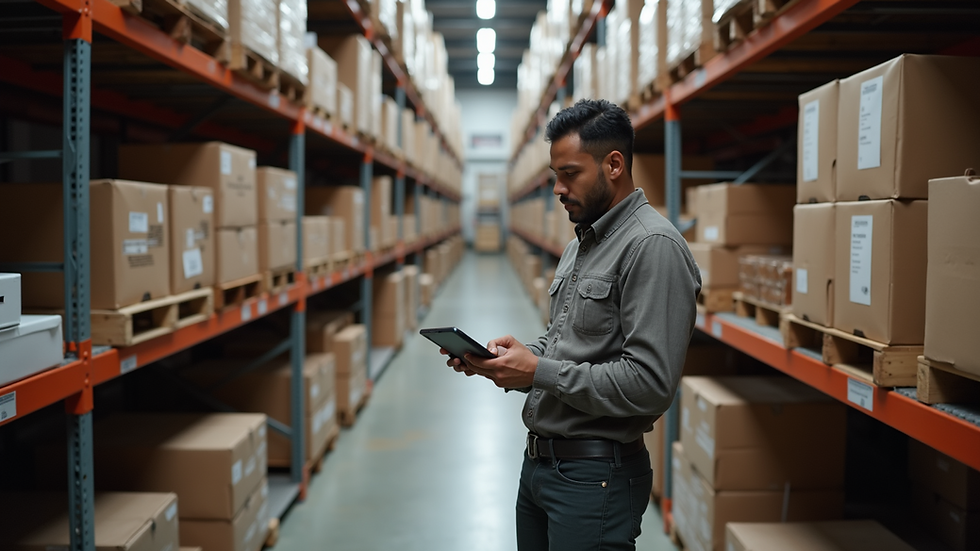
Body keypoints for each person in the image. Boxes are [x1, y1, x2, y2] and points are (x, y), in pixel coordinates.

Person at [443, 98, 701, 551]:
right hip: (542, 466)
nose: (558, 189)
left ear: (614, 165)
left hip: (595, 479)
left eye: (570, 174)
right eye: (555, 175)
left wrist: (539, 371)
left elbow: (650, 383)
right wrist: (510, 362)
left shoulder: (652, 246)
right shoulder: (581, 243)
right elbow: (568, 345)